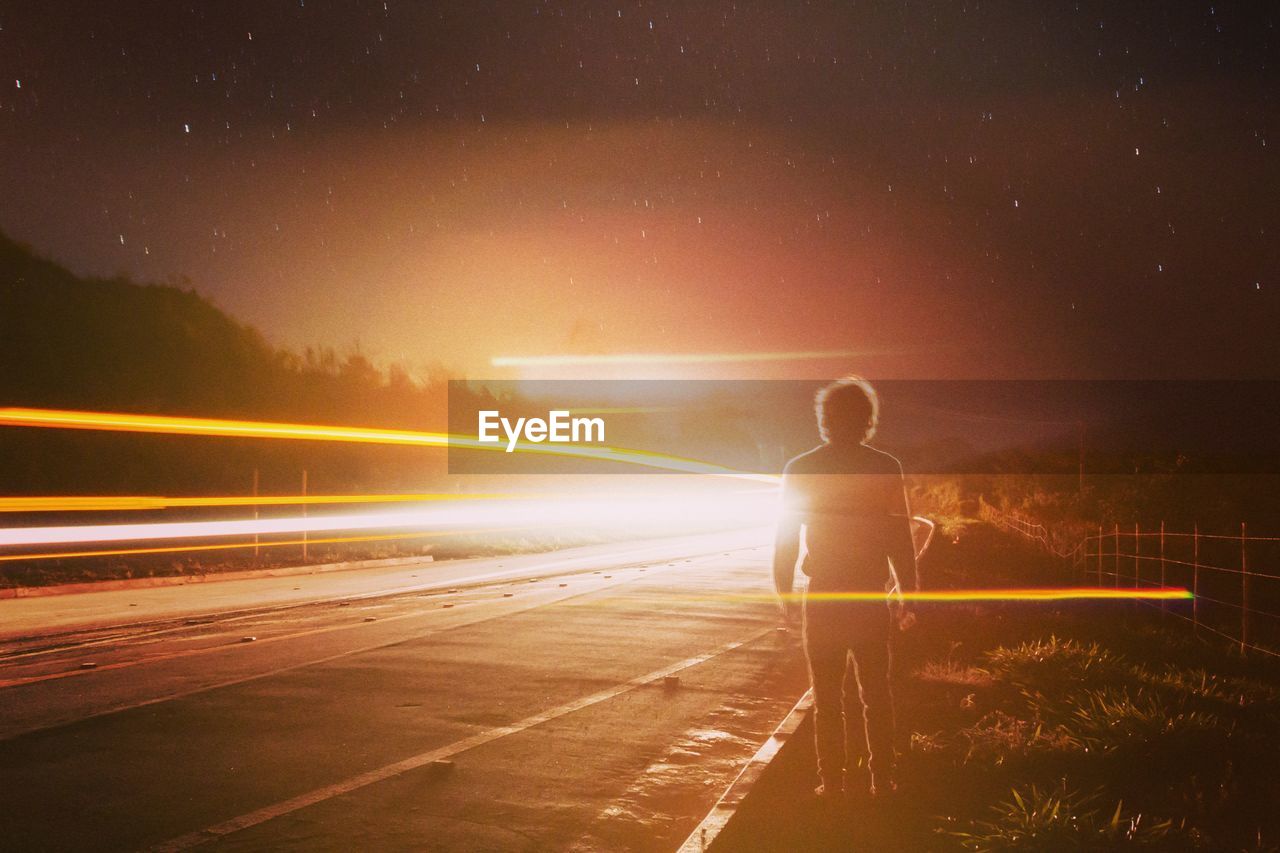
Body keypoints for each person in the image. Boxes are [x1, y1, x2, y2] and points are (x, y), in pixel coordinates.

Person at [772, 376, 920, 799]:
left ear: (825, 419)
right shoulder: (885, 467)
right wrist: (908, 595)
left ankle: (832, 785)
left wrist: (785, 593)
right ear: (867, 420)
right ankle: (882, 781)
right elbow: (900, 540)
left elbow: (786, 538)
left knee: (828, 700)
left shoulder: (800, 468)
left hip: (824, 595)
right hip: (869, 596)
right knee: (877, 695)